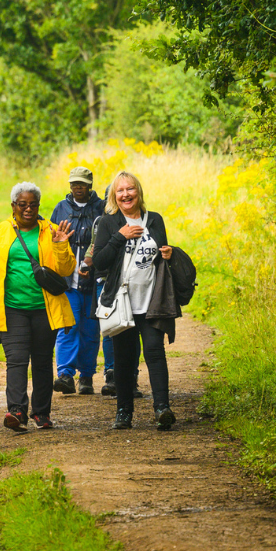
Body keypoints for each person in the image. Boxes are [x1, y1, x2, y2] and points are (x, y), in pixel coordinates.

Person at [0, 181, 76, 431]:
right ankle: (17, 412)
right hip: (11, 308)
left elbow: (66, 270)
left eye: (33, 204)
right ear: (13, 206)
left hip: (45, 308)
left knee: (42, 361)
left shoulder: (51, 231)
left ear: (39, 206)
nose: (28, 209)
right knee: (17, 360)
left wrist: (61, 244)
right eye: (23, 204)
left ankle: (41, 413)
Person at [90, 170, 178, 430]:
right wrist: (121, 236)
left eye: (130, 189)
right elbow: (100, 263)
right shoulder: (107, 223)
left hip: (152, 300)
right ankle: (124, 412)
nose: (126, 194)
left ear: (138, 192)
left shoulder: (155, 220)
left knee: (155, 352)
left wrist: (170, 254)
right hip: (122, 302)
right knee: (124, 359)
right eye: (120, 190)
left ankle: (162, 408)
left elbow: (162, 256)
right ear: (113, 196)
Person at [50, 167, 104, 395]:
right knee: (67, 328)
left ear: (90, 185)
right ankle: (65, 375)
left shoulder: (102, 208)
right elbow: (50, 242)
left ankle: (87, 377)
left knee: (91, 330)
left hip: (92, 282)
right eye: (74, 184)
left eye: (82, 184)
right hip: (67, 282)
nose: (77, 187)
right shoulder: (60, 208)